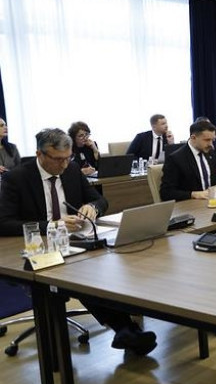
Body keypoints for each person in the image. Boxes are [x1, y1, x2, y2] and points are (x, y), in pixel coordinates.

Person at [0, 128, 157, 355]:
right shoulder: (17, 178)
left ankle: (126, 329)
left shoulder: (72, 170)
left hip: (74, 243)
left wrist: (92, 207)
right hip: (36, 249)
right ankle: (125, 330)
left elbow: (101, 200)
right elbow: (4, 223)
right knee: (81, 275)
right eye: (58, 159)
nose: (64, 164)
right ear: (39, 154)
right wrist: (52, 225)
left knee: (106, 267)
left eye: (68, 157)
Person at [160, 121, 216, 202]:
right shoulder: (175, 159)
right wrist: (194, 194)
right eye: (207, 140)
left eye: (212, 140)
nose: (211, 144)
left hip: (213, 202)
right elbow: (166, 193)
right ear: (193, 138)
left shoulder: (210, 153)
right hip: (190, 205)